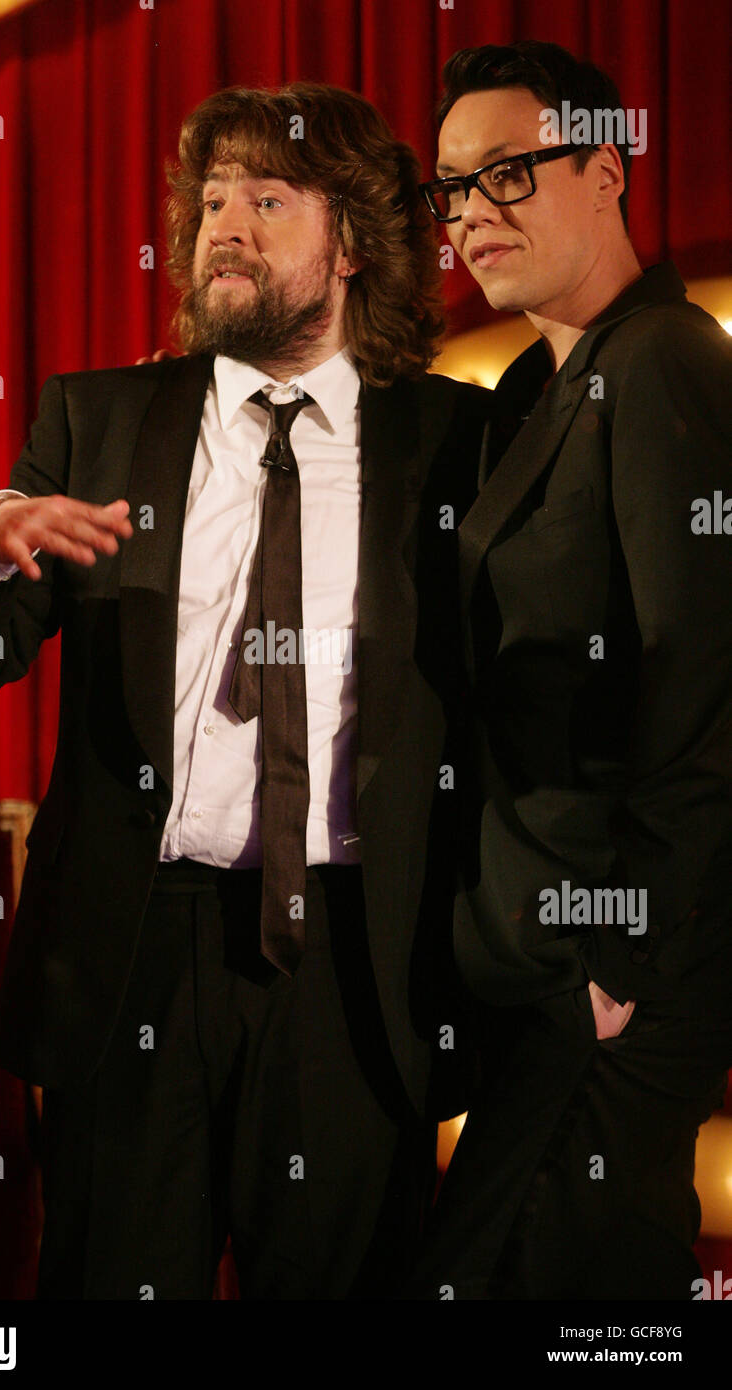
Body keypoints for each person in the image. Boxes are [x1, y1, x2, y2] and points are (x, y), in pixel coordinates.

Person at [0, 81, 489, 1300]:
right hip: (131, 962)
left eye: (269, 199)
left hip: (356, 970)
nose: (224, 223)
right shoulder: (95, 419)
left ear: (357, 240)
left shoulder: (456, 443)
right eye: (212, 198)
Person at [408, 40, 732, 1300]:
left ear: (606, 169)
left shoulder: (664, 359)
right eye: (450, 188)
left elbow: (704, 687)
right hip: (543, 961)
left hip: (612, 977)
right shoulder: (551, 381)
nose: (471, 215)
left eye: (506, 174)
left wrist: (620, 966)